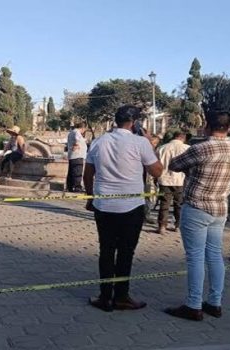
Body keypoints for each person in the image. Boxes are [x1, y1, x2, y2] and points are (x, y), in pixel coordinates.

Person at [83, 105, 164, 312]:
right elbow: (157, 171)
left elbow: (88, 174)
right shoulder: (140, 142)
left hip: (104, 204)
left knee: (106, 250)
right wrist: (149, 145)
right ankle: (121, 296)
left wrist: (91, 197)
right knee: (126, 252)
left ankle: (105, 297)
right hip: (131, 206)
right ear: (135, 123)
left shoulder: (99, 141)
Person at [164, 111, 230, 321]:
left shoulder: (200, 148)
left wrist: (193, 171)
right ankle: (215, 302)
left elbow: (173, 165)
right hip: (220, 208)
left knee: (196, 257)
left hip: (197, 207)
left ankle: (193, 305)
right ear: (229, 127)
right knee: (215, 255)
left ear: (207, 126)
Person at [156, 131, 190, 235]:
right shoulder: (187, 148)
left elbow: (156, 164)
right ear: (183, 138)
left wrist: (155, 177)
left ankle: (162, 226)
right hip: (180, 179)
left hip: (164, 179)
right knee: (179, 204)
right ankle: (178, 225)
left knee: (164, 203)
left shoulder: (161, 148)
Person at [66, 122, 88, 192]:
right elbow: (77, 139)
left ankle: (70, 187)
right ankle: (77, 188)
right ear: (83, 128)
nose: (84, 131)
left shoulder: (72, 132)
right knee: (77, 172)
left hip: (73, 155)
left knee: (71, 172)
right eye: (84, 129)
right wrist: (77, 144)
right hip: (78, 155)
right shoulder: (77, 132)